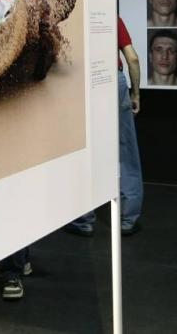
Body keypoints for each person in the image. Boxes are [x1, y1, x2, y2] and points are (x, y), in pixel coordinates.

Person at [65, 16, 143, 236]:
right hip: (114, 80)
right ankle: (128, 218)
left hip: (84, 82)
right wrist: (136, 93)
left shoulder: (74, 18)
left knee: (83, 150)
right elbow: (132, 58)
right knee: (125, 150)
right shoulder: (111, 17)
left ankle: (83, 220)